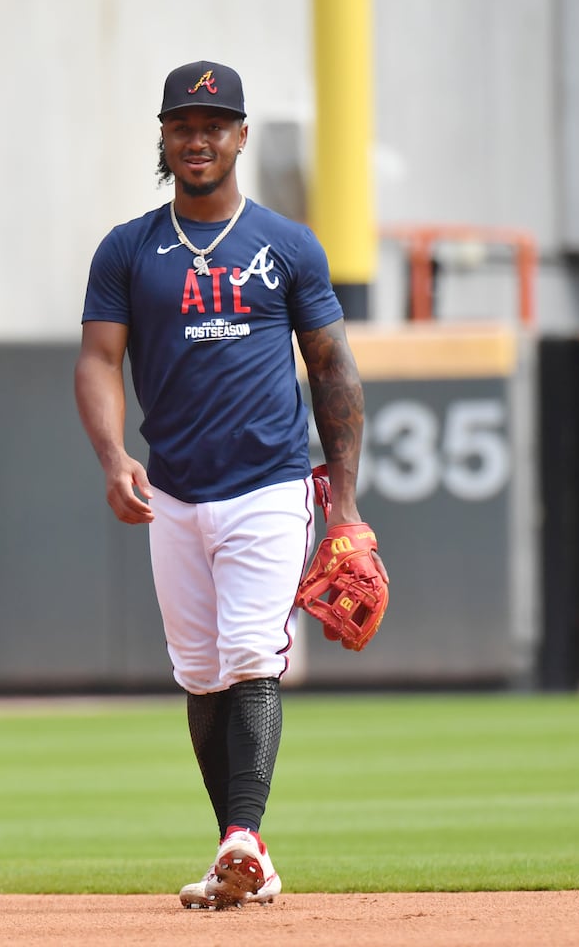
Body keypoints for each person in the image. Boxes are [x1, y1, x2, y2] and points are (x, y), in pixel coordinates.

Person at [74, 60, 382, 909]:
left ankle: (243, 834)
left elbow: (333, 370)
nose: (198, 137)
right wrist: (111, 458)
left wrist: (344, 507)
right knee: (201, 675)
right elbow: (98, 361)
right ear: (164, 137)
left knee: (251, 657)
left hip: (270, 483)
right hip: (173, 491)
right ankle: (241, 854)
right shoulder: (128, 248)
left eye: (214, 123)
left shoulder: (286, 244)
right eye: (182, 123)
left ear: (241, 135)